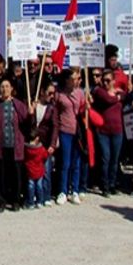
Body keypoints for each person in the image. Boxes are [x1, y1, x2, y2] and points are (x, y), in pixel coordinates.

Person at [0, 78, 29, 212]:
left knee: (15, 174)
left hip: (15, 145)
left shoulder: (19, 105)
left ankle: (15, 200)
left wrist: (30, 113)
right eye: (2, 87)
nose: (5, 89)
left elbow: (26, 122)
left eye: (7, 86)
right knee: (0, 175)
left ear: (12, 89)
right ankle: (1, 201)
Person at [54, 69, 86, 204]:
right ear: (67, 80)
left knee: (76, 162)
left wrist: (87, 105)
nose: (76, 81)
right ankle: (63, 190)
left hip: (77, 132)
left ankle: (75, 190)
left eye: (77, 79)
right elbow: (55, 112)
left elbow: (82, 110)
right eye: (73, 79)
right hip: (64, 130)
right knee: (65, 162)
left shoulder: (79, 93)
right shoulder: (59, 94)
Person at [92, 69, 125, 196]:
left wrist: (122, 94)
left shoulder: (120, 92)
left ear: (113, 81)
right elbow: (108, 100)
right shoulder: (99, 91)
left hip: (117, 130)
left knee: (115, 159)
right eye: (104, 80)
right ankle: (104, 185)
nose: (105, 83)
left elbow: (126, 96)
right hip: (103, 131)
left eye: (108, 80)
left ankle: (112, 184)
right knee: (106, 157)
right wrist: (117, 97)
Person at [31, 82, 58, 206]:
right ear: (42, 91)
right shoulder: (33, 104)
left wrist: (52, 144)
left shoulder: (52, 108)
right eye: (49, 93)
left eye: (53, 93)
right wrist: (30, 112)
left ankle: (46, 196)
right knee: (32, 171)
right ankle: (33, 196)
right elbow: (28, 123)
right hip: (33, 143)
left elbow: (55, 127)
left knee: (46, 171)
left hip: (45, 143)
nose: (52, 96)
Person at [24, 129, 48, 209]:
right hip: (39, 171)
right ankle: (39, 202)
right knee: (39, 186)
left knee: (30, 187)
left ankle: (30, 202)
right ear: (37, 138)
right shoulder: (41, 149)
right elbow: (45, 156)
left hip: (30, 171)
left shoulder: (26, 149)